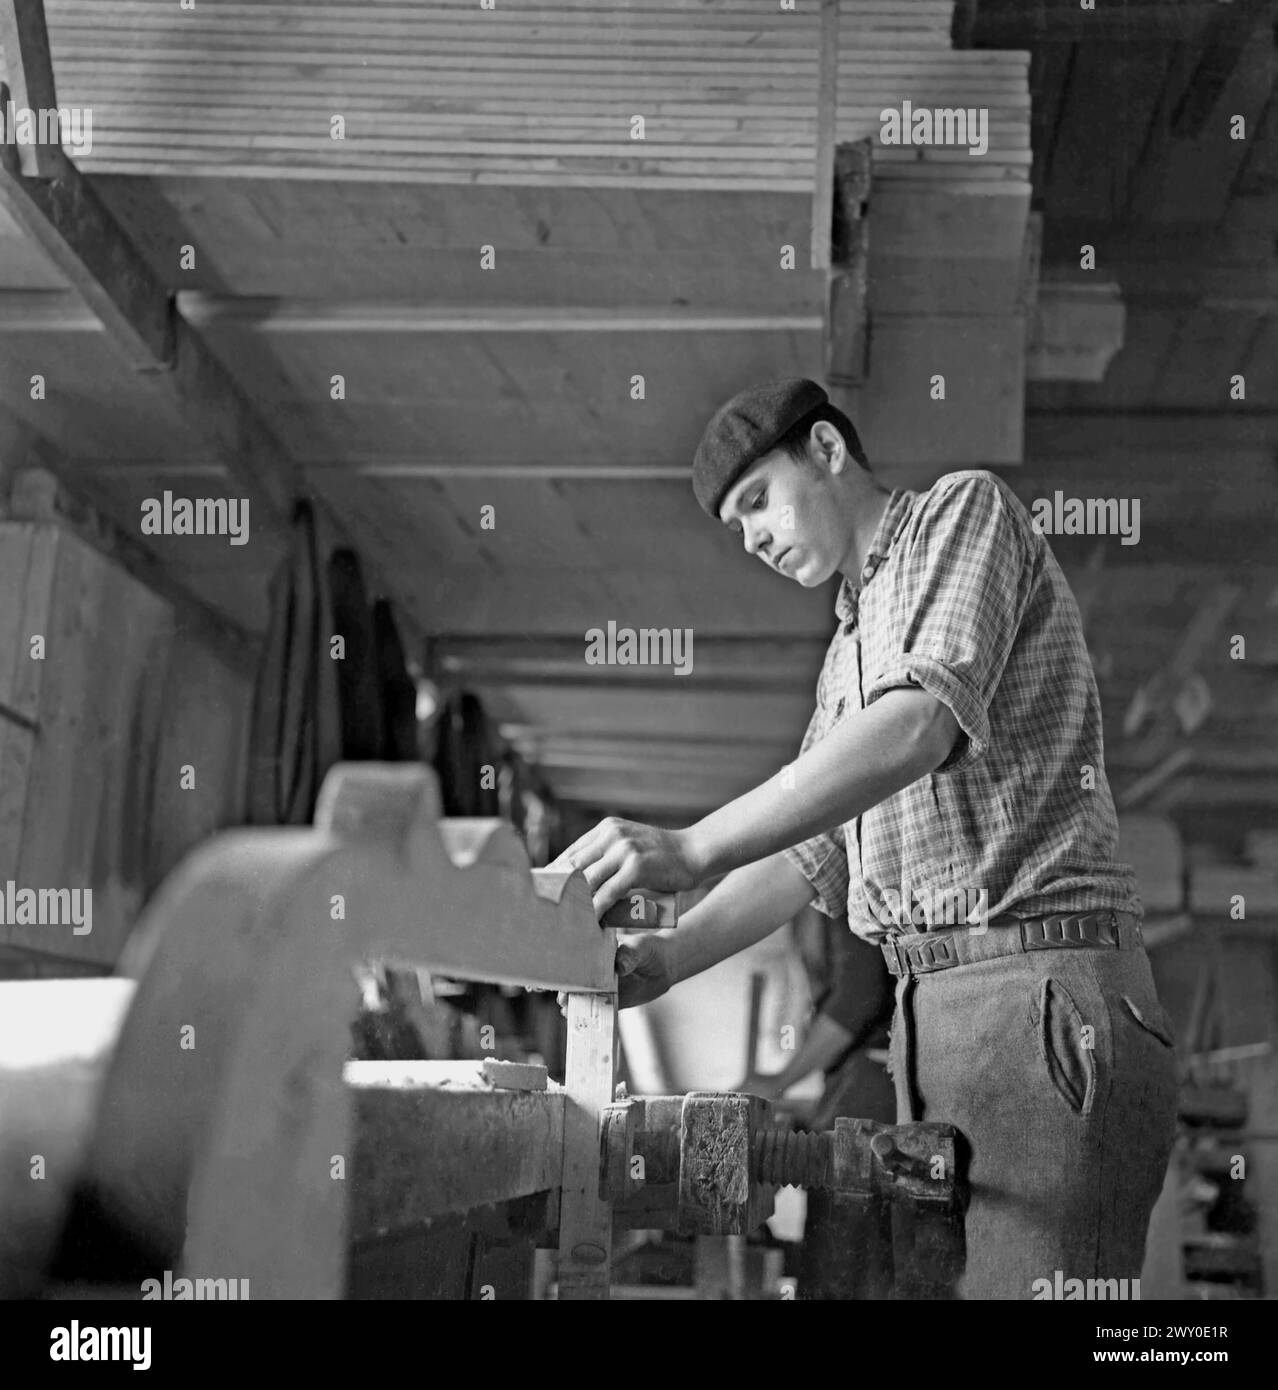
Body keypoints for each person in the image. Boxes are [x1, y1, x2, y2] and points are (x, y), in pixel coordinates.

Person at [552, 378, 1179, 1299]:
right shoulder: (848, 650)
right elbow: (812, 857)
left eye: (758, 501)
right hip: (937, 1015)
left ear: (829, 452)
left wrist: (689, 849)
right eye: (735, 528)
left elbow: (920, 724)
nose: (754, 537)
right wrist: (671, 957)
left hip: (1042, 998)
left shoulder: (963, 517)